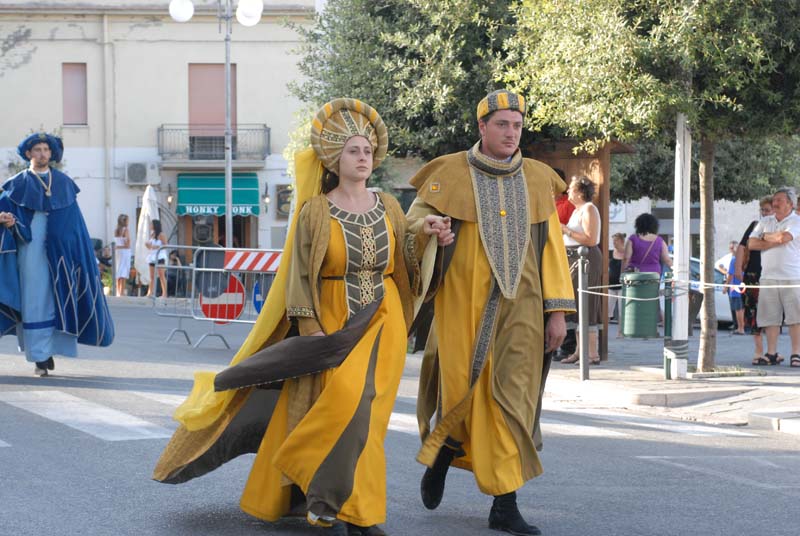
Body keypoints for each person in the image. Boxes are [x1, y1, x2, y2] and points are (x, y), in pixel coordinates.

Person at [152, 98, 451, 535]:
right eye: (353, 150)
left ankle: (356, 511)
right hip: (332, 322)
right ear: (334, 158)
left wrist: (425, 236)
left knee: (370, 417)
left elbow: (403, 258)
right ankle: (317, 484)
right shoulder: (316, 211)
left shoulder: (388, 205)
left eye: (367, 150)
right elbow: (298, 273)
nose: (363, 157)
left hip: (384, 319)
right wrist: (311, 329)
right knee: (346, 407)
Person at [406, 89, 575, 536]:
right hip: (461, 304)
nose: (511, 133)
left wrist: (557, 312)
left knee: (513, 399)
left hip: (523, 307)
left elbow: (554, 252)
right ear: (482, 127)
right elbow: (411, 224)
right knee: (463, 390)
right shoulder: (447, 174)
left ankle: (505, 504)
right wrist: (429, 228)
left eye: (517, 126)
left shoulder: (539, 179)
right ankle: (445, 450)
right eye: (502, 124)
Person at [0, 132, 113, 376]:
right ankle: (39, 356)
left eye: (46, 149)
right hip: (29, 253)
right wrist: (6, 220)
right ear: (28, 154)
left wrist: (79, 254)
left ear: (51, 154)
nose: (42, 154)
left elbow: (76, 225)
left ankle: (47, 351)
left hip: (61, 256)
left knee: (57, 301)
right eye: (37, 149)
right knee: (34, 302)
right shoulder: (16, 184)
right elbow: (3, 212)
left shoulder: (63, 184)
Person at [747, 187, 800, 368]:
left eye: (779, 200)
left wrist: (765, 238)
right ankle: (771, 353)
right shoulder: (764, 221)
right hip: (768, 277)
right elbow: (751, 243)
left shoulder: (796, 221)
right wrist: (772, 238)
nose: (775, 203)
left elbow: (785, 237)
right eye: (774, 200)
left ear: (790, 204)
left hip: (792, 277)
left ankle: (796, 354)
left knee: (795, 317)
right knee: (770, 318)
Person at [560, 176, 602, 364]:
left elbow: (590, 239)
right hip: (574, 257)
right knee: (577, 304)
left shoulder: (589, 209)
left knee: (587, 303)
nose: (568, 192)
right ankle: (580, 351)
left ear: (579, 192)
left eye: (570, 189)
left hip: (586, 258)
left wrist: (566, 230)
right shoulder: (578, 211)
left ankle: (591, 353)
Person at [734, 196, 775, 365]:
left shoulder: (783, 228)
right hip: (752, 275)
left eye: (768, 210)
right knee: (752, 313)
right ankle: (758, 350)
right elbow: (742, 246)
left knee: (773, 314)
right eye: (763, 210)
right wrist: (737, 268)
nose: (764, 213)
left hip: (774, 275)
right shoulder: (755, 226)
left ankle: (773, 351)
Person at [724, 246, 745, 335]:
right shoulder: (745, 259)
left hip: (736, 287)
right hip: (743, 286)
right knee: (742, 308)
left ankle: (740, 328)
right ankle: (742, 327)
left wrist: (726, 286)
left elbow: (730, 275)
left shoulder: (734, 260)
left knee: (738, 309)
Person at [145, 218, 168, 297]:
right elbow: (150, 245)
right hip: (152, 256)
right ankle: (150, 292)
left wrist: (156, 246)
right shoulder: (152, 234)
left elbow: (165, 245)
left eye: (151, 224)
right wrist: (148, 245)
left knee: (161, 275)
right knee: (152, 276)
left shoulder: (161, 234)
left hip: (159, 256)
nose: (150, 225)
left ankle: (164, 293)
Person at [609, 232, 626, 324]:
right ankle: (605, 331)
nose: (614, 243)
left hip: (622, 285)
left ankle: (620, 332)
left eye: (616, 241)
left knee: (621, 310)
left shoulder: (626, 253)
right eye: (613, 241)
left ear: (621, 241)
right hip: (610, 285)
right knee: (607, 310)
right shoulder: (611, 253)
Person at [114, 214, 131, 296]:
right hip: (124, 252)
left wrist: (118, 247)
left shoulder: (116, 230)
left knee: (118, 271)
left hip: (118, 252)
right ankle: (121, 292)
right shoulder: (126, 230)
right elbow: (127, 245)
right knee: (123, 271)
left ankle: (118, 291)